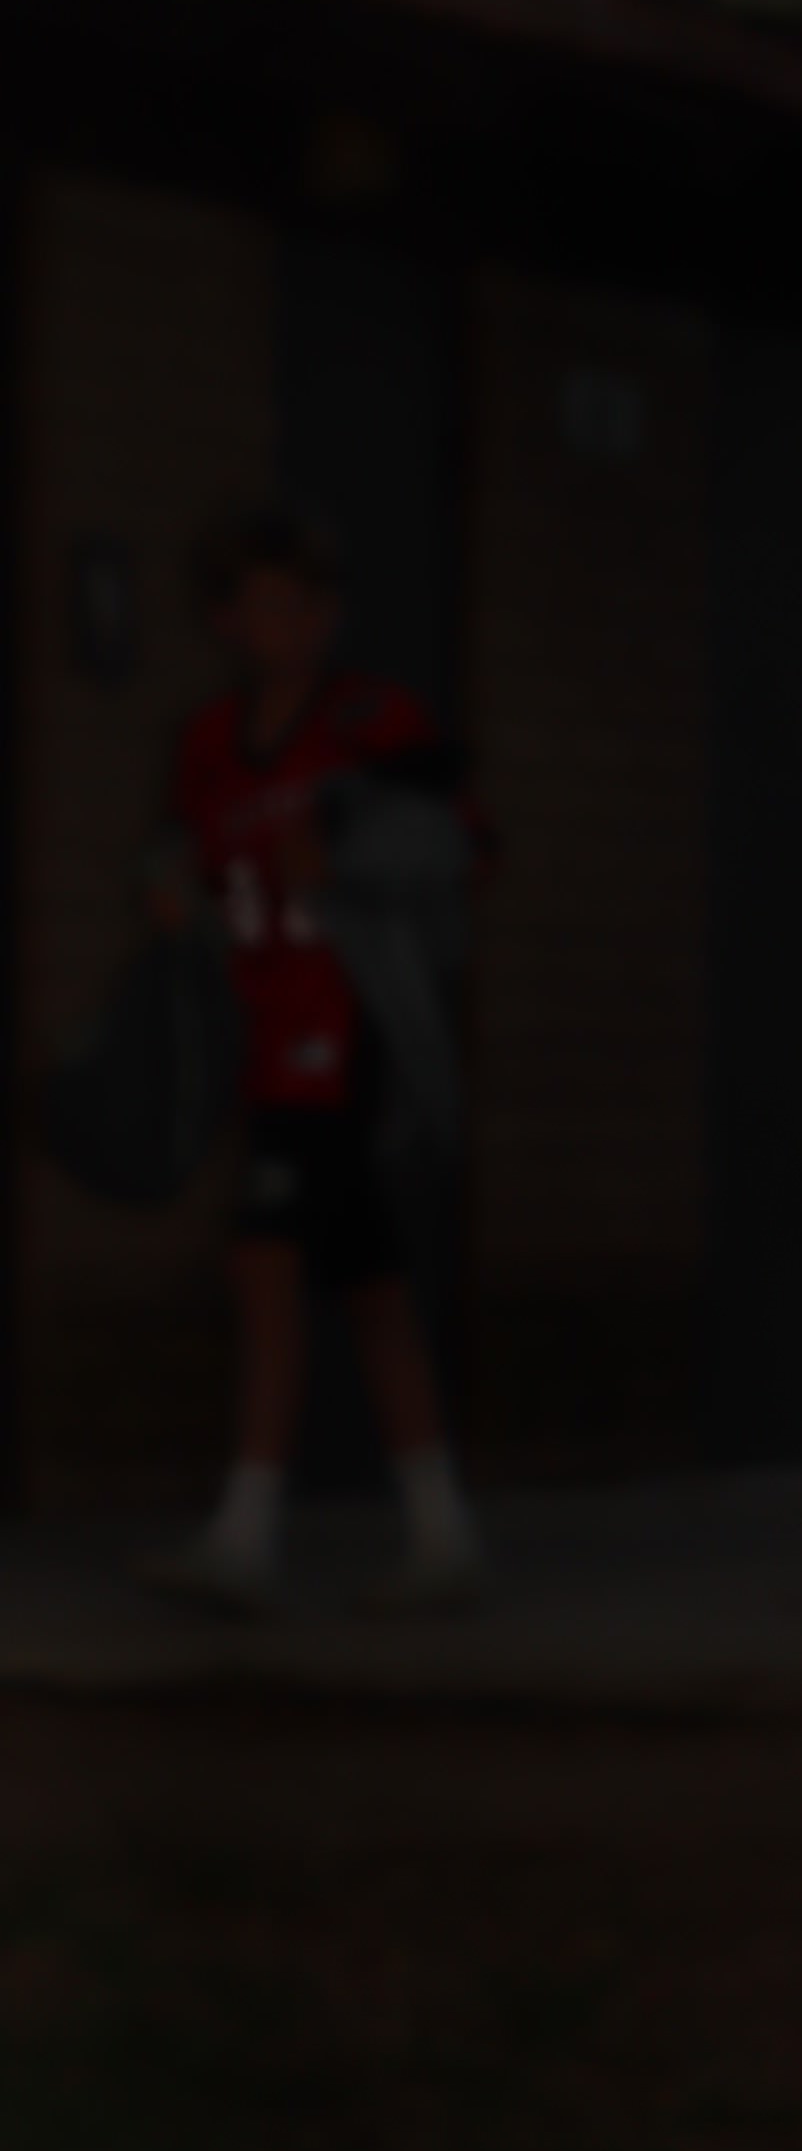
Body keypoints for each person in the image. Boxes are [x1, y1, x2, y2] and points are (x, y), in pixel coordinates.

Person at [157, 505, 483, 1608]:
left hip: (347, 1041)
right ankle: (441, 1530)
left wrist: (348, 849)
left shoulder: (369, 723)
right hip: (259, 1040)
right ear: (225, 619)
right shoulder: (209, 742)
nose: (290, 626)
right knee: (373, 1289)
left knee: (266, 1267)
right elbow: (190, 861)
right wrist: (173, 897)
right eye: (266, 606)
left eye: (307, 605)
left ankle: (246, 1532)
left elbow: (462, 842)